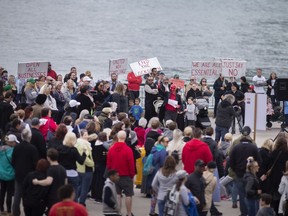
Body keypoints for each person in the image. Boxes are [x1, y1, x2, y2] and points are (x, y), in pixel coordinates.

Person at [229, 127, 261, 216]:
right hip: (251, 175)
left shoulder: (236, 147)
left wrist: (235, 170)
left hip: (239, 174)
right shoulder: (254, 147)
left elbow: (231, 161)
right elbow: (259, 160)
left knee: (242, 194)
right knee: (252, 194)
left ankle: (244, 213)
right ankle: (252, 213)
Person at [107, 130, 135, 216]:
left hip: (114, 175)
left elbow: (109, 163)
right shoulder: (128, 150)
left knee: (117, 195)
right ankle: (129, 213)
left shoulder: (111, 149)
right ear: (125, 137)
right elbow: (131, 163)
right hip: (126, 175)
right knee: (128, 195)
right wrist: (132, 174)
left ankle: (118, 212)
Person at [11, 129, 39, 216]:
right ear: (30, 137)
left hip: (19, 173)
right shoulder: (33, 148)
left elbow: (13, 161)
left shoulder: (16, 147)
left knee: (17, 195)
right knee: (27, 196)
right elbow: (35, 163)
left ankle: (15, 213)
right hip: (29, 175)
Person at [75, 129, 95, 206]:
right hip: (86, 168)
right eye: (85, 135)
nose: (87, 136)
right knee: (85, 187)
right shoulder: (84, 144)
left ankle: (76, 200)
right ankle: (81, 202)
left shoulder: (78, 142)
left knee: (80, 186)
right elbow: (85, 157)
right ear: (81, 135)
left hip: (79, 168)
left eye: (87, 134)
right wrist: (92, 164)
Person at [0, 135, 17, 216]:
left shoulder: (0, 149)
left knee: (2, 192)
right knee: (9, 193)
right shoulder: (13, 151)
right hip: (10, 175)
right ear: (12, 142)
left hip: (1, 174)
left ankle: (1, 209)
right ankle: (9, 210)